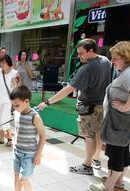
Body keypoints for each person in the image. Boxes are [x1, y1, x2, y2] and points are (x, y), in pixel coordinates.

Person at [38, 38, 111, 175]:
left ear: (91, 51)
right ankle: (95, 159)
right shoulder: (105, 61)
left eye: (82, 53)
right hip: (102, 105)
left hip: (89, 108)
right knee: (97, 134)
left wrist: (48, 102)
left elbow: (69, 89)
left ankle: (87, 165)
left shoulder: (87, 68)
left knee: (88, 137)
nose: (79, 56)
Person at [90, 41, 130, 191]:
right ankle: (119, 180)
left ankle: (109, 186)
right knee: (122, 149)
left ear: (125, 57)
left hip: (120, 119)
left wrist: (124, 107)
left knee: (115, 151)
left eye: (115, 58)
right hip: (126, 119)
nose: (112, 61)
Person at [9, 85, 45, 191]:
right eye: (13, 105)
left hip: (29, 154)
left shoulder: (35, 117)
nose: (15, 108)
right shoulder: (17, 113)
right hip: (17, 151)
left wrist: (38, 155)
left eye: (17, 105)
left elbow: (43, 136)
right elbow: (18, 130)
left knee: (24, 179)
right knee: (16, 176)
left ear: (26, 101)